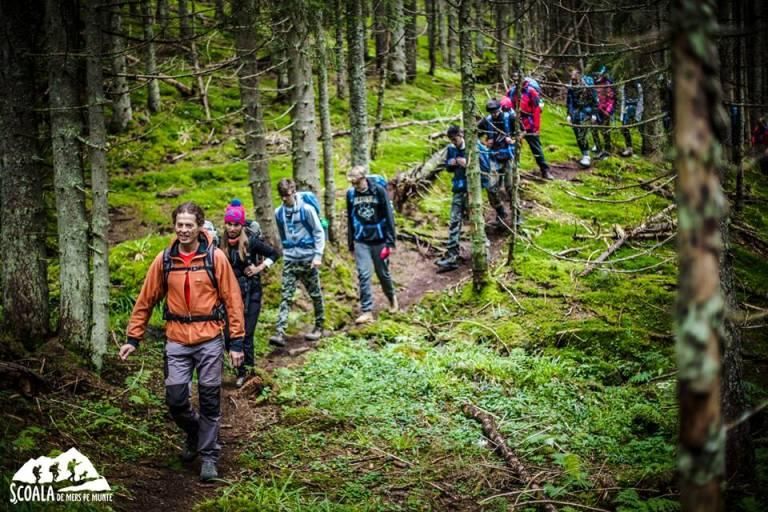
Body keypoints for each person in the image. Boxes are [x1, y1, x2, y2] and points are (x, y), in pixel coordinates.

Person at [119, 202, 245, 482]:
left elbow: (233, 300)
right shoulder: (165, 260)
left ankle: (209, 456)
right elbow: (146, 299)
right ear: (174, 226)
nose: (184, 230)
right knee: (176, 401)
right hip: (176, 339)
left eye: (189, 225)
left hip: (210, 337)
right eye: (180, 225)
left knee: (210, 401)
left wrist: (236, 342)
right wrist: (133, 337)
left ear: (200, 226)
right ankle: (194, 432)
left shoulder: (215, 258)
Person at [221, 199, 279, 388]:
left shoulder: (251, 242)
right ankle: (239, 369)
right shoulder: (221, 242)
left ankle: (248, 374)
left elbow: (274, 253)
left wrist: (259, 268)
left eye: (236, 224)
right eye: (229, 224)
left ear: (241, 224)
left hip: (251, 293)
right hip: (229, 294)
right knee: (230, 335)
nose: (232, 228)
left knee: (247, 334)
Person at [269, 179, 325, 347]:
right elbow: (282, 233)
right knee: (286, 296)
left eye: (288, 195)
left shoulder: (306, 210)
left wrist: (318, 255)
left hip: (308, 259)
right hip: (290, 260)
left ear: (293, 191)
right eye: (282, 196)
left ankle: (319, 325)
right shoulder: (279, 213)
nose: (285, 198)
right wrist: (286, 252)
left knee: (315, 294)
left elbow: (318, 232)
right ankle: (279, 332)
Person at [346, 166, 398, 322]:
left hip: (380, 240)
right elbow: (350, 218)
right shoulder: (350, 195)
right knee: (364, 274)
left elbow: (389, 216)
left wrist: (390, 242)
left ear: (363, 178)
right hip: (361, 240)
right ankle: (367, 310)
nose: (355, 186)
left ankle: (392, 298)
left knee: (382, 273)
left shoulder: (379, 191)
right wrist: (351, 243)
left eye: (356, 182)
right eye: (352, 183)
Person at [507, 70, 553, 180]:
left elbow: (536, 110)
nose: (516, 81)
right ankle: (514, 171)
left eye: (518, 79)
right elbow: (508, 107)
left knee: (536, 148)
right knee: (514, 147)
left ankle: (545, 170)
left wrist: (536, 127)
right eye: (514, 79)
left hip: (529, 124)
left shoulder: (531, 91)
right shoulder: (511, 92)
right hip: (516, 124)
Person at [478, 98, 518, 216]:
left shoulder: (510, 118)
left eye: (496, 112)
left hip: (509, 156)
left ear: (500, 109)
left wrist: (513, 140)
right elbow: (474, 133)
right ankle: (500, 210)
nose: (494, 115)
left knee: (510, 187)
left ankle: (516, 213)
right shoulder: (487, 121)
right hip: (493, 157)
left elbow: (522, 132)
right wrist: (484, 145)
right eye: (492, 113)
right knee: (490, 187)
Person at [566, 68, 599, 168]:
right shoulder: (571, 87)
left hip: (586, 111)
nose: (574, 81)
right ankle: (584, 153)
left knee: (582, 133)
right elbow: (569, 101)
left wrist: (594, 114)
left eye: (575, 79)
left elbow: (595, 100)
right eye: (572, 80)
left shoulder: (588, 85)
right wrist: (569, 114)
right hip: (575, 112)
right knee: (577, 134)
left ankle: (587, 156)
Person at [591, 65, 616, 159]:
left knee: (605, 132)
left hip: (605, 111)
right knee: (593, 129)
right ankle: (598, 148)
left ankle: (607, 151)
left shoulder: (607, 84)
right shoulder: (594, 84)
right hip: (596, 110)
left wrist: (608, 111)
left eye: (600, 74)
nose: (598, 76)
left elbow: (611, 99)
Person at [619, 79, 644, 157]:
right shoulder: (624, 86)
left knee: (641, 129)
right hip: (627, 109)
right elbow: (623, 99)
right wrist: (622, 114)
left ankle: (644, 147)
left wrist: (638, 114)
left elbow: (641, 100)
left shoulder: (639, 86)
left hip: (638, 108)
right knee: (624, 128)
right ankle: (629, 148)